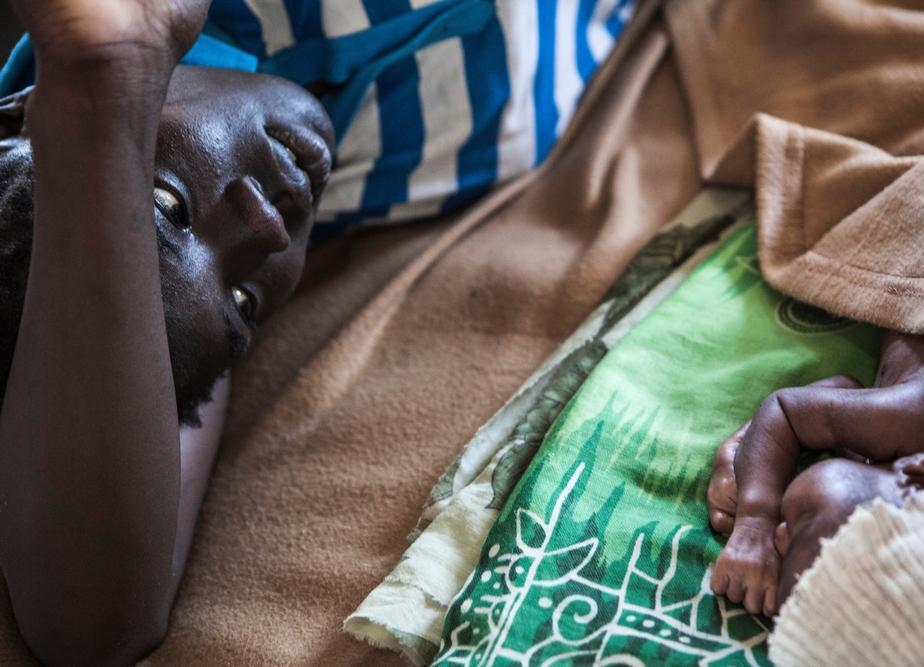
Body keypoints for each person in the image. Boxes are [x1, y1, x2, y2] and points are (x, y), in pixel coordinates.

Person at [0, 1, 635, 664]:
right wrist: (108, 86)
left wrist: (105, 77)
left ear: (28, 117)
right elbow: (94, 619)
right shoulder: (302, 175)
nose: (264, 231)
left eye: (170, 208)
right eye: (244, 304)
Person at [707, 332, 924, 618]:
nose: (779, 535)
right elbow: (786, 410)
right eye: (808, 515)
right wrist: (755, 520)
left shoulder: (910, 486)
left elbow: (842, 390)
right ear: (922, 476)